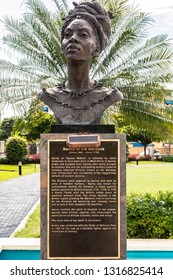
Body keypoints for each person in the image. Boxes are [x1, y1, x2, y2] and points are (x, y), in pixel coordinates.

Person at [38, 0, 123, 125]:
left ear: (96, 48)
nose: (73, 38)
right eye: (67, 34)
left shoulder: (108, 96)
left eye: (83, 35)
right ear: (62, 46)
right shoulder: (48, 96)